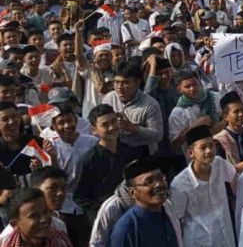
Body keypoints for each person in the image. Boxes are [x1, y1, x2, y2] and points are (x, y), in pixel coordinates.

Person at [74, 104, 148, 225]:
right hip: (105, 219)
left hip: (134, 214)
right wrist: (103, 212)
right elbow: (80, 197)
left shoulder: (131, 153)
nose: (112, 127)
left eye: (114, 121)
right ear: (94, 130)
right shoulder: (88, 160)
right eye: (105, 125)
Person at [170, 125, 237, 247]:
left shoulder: (218, 163)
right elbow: (177, 220)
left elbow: (234, 174)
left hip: (225, 236)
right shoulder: (180, 184)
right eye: (203, 147)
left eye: (211, 145)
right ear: (191, 153)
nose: (209, 151)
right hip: (199, 241)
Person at [107, 158, 182, 247]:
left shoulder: (168, 212)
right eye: (149, 182)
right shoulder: (126, 229)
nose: (158, 184)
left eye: (160, 178)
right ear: (132, 192)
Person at [49, 108, 97, 246]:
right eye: (61, 123)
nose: (66, 126)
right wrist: (52, 157)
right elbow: (55, 179)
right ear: (53, 127)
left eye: (69, 121)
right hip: (65, 205)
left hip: (89, 203)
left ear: (76, 121)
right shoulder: (51, 147)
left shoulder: (92, 142)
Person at [102, 63, 163, 155]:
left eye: (125, 83)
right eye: (117, 82)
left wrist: (132, 128)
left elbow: (157, 135)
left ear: (137, 83)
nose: (119, 87)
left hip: (142, 153)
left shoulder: (150, 104)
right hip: (116, 152)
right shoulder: (109, 98)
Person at [1, 188, 72, 247]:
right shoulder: (4, 243)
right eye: (34, 216)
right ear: (15, 224)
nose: (44, 219)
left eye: (45, 212)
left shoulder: (62, 241)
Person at [212, 91, 243, 173]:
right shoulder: (218, 141)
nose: (241, 114)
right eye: (236, 111)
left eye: (242, 110)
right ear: (225, 116)